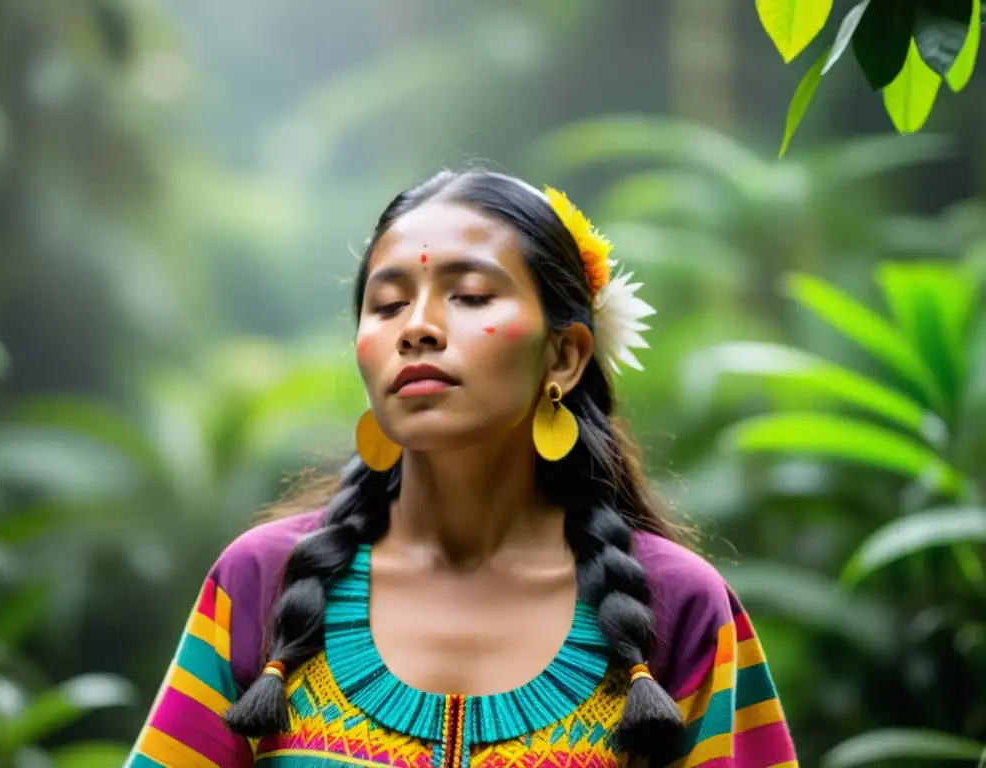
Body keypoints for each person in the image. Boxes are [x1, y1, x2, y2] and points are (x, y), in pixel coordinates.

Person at [124, 170, 798, 768]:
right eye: (386, 305)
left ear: (565, 356)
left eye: (471, 296)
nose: (416, 327)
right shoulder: (260, 582)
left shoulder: (680, 607)